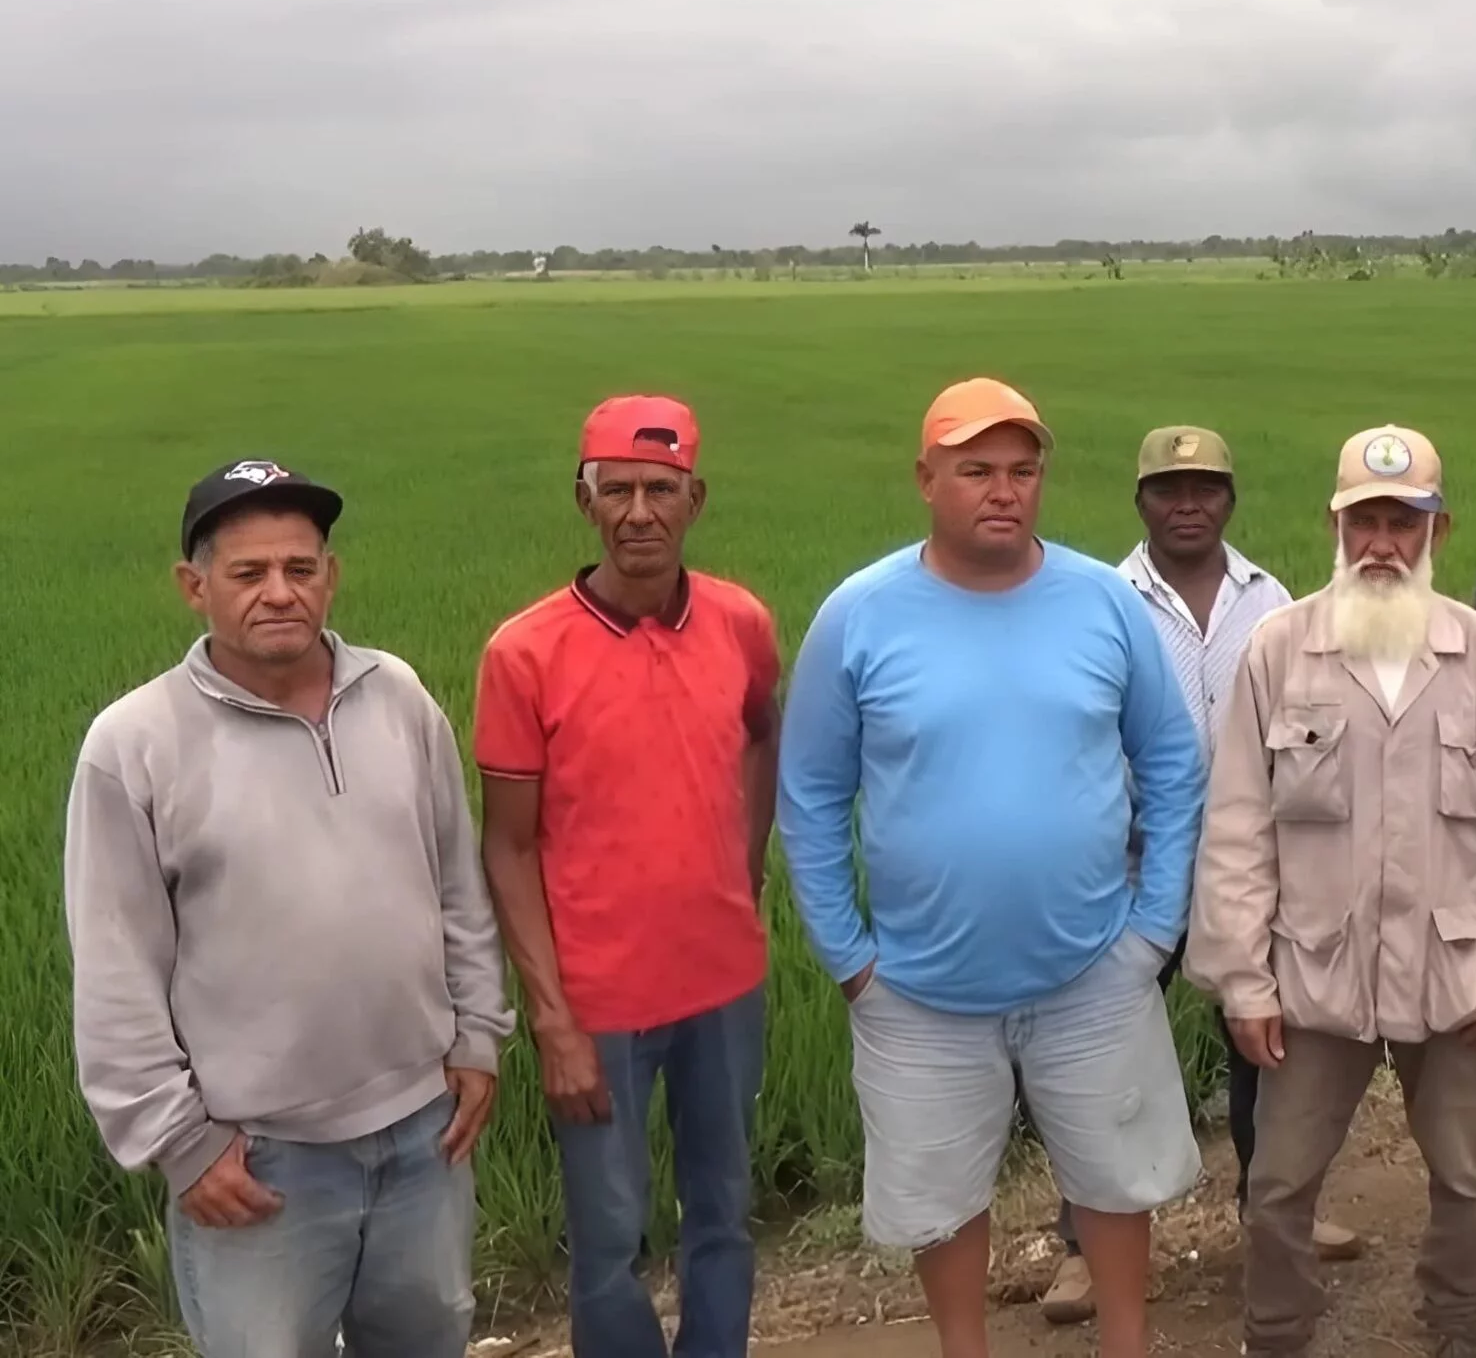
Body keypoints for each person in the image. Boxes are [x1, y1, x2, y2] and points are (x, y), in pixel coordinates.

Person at [776, 378, 1206, 1358]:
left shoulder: (1104, 601)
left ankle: (1125, 1342)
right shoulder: (861, 614)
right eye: (976, 469)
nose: (1003, 489)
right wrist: (849, 958)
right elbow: (808, 793)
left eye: (1022, 469)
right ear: (926, 478)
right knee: (941, 1196)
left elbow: (1174, 763)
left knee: (1114, 1177)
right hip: (918, 989)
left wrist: (1152, 930)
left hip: (1094, 967)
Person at [65, 460, 515, 1358]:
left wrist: (477, 1035)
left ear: (330, 575)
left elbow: (458, 886)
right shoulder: (135, 744)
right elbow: (116, 968)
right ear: (194, 587)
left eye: (300, 569)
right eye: (248, 573)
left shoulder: (398, 696)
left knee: (428, 1340)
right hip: (260, 1161)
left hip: (426, 1133)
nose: (280, 593)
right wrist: (179, 1141)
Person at [1188, 425, 1476, 1358]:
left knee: (1467, 1181)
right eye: (1366, 520)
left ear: (1438, 531)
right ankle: (1277, 1335)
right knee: (1279, 1184)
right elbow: (1238, 822)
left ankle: (1454, 1330)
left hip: (1454, 971)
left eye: (1405, 521)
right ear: (1336, 523)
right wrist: (1243, 978)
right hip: (1318, 973)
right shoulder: (1281, 650)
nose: (1383, 545)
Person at [474, 396, 781, 1358]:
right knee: (610, 1237)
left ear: (697, 497)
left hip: (724, 985)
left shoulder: (741, 623)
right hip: (597, 1006)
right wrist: (551, 1018)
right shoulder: (524, 653)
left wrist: (742, 867)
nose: (639, 511)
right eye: (618, 490)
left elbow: (762, 739)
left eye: (660, 489)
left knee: (724, 1211)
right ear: (585, 499)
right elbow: (508, 846)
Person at [1042, 425, 1358, 1326]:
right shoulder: (1101, 600)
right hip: (1134, 864)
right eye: (1167, 488)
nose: (1188, 503)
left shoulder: (1275, 602)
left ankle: (1273, 1211)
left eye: (1205, 487)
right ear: (1139, 500)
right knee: (1103, 1053)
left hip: (1257, 866)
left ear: (1230, 497)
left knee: (1269, 1043)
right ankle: (1081, 1243)